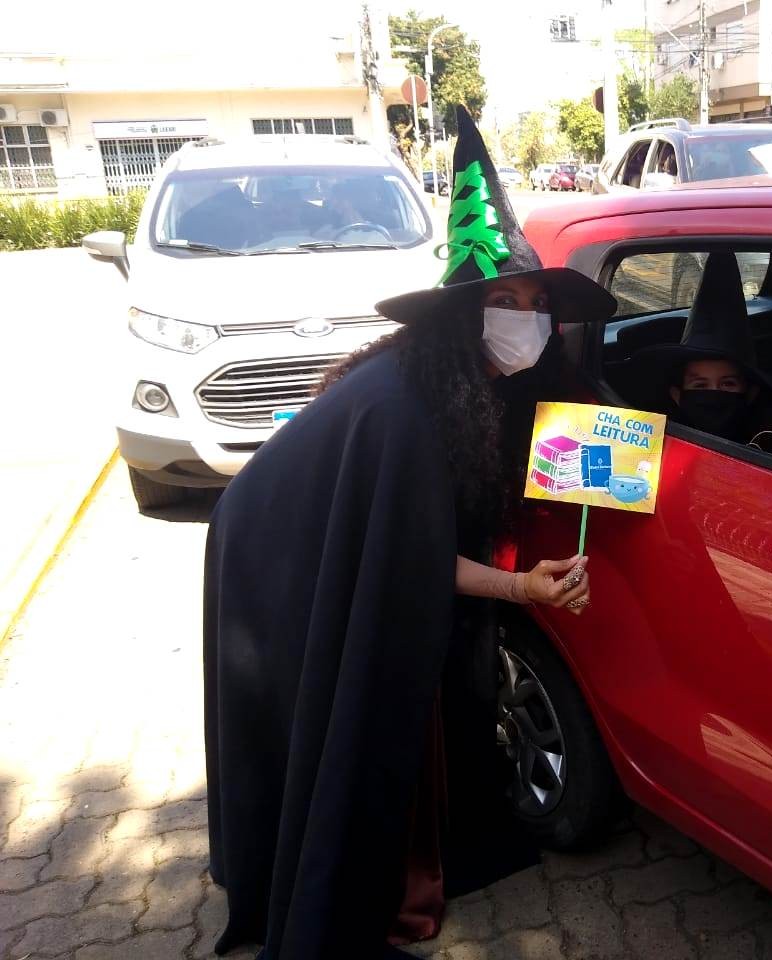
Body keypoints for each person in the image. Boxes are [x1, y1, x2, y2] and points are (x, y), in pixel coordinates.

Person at [204, 106, 617, 960]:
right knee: (329, 714)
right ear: (458, 318)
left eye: (537, 303)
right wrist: (522, 586)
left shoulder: (474, 387)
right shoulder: (405, 412)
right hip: (271, 549)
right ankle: (319, 880)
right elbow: (413, 560)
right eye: (503, 301)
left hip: (310, 528)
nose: (527, 318)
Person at [634, 251, 772, 460]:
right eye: (700, 385)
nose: (714, 396)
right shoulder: (657, 445)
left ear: (750, 393)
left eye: (728, 384)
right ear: (677, 395)